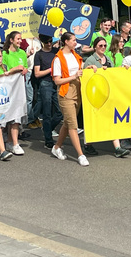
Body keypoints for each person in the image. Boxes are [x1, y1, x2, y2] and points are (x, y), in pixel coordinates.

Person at [85, 37, 130, 158]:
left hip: (108, 94)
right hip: (95, 95)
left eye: (105, 45)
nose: (103, 48)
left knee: (111, 120)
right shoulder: (90, 60)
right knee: (94, 121)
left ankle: (117, 148)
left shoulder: (108, 58)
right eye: (100, 45)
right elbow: (85, 77)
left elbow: (113, 74)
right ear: (95, 47)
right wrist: (96, 70)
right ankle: (88, 144)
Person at [50, 32, 89, 166]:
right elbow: (57, 81)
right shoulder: (58, 59)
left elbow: (82, 69)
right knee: (73, 124)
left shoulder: (75, 55)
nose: (75, 42)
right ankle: (80, 154)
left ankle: (56, 147)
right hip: (65, 93)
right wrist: (73, 76)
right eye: (73, 40)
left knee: (67, 122)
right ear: (66, 41)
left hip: (77, 91)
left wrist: (89, 68)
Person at [3, 31, 30, 155]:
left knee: (17, 115)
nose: (20, 41)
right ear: (11, 40)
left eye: (21, 39)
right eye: (18, 39)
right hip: (7, 90)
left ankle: (14, 143)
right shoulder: (4, 54)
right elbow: (3, 71)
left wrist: (24, 69)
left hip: (19, 88)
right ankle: (9, 141)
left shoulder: (22, 53)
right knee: (8, 117)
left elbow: (25, 67)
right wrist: (14, 69)